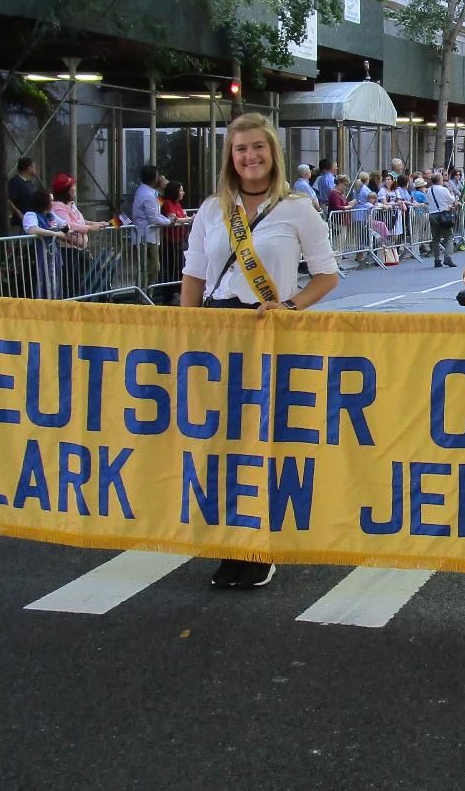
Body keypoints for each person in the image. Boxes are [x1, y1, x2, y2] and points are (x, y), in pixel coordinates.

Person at [180, 112, 339, 590]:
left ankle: (259, 546)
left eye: (258, 148)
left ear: (273, 153)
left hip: (267, 332)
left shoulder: (298, 208)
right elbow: (192, 277)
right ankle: (228, 538)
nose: (249, 157)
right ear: (230, 157)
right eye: (240, 149)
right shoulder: (211, 209)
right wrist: (187, 332)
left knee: (262, 442)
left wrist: (290, 305)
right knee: (218, 444)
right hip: (215, 333)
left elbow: (327, 276)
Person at [132, 164, 173, 285]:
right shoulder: (148, 195)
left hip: (148, 236)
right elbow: (154, 218)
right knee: (151, 268)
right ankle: (144, 296)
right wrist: (169, 221)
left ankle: (145, 294)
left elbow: (157, 206)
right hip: (146, 237)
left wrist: (165, 188)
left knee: (150, 268)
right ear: (154, 178)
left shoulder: (147, 192)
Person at [23, 190, 69, 299]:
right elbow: (32, 229)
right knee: (40, 280)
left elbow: (64, 224)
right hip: (38, 255)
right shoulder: (31, 215)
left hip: (52, 255)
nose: (53, 203)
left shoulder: (50, 215)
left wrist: (64, 230)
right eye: (51, 200)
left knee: (55, 280)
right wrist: (54, 233)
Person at [426, 172, 457, 268]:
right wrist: (451, 191)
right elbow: (452, 199)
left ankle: (437, 260)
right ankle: (448, 257)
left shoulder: (429, 190)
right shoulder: (444, 190)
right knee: (448, 237)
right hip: (443, 214)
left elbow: (428, 201)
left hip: (432, 214)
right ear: (440, 180)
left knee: (436, 239)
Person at [7, 156, 40, 232]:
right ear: (29, 168)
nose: (35, 169)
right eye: (33, 167)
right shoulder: (15, 181)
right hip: (19, 224)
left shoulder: (29, 183)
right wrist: (20, 214)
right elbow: (8, 200)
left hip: (31, 222)